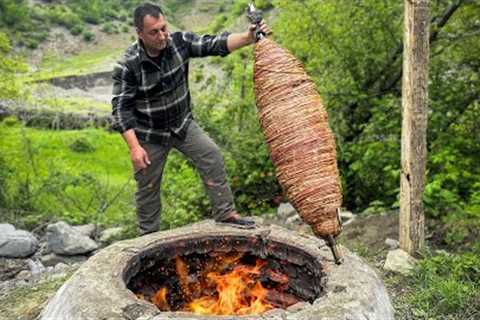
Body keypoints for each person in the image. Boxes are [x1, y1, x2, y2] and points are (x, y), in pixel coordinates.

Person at [111, 2, 271, 235]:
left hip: (182, 124)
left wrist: (248, 37)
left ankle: (225, 214)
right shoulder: (127, 65)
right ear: (139, 34)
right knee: (148, 187)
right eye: (154, 32)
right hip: (150, 134)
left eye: (163, 28)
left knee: (212, 155)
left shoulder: (179, 43)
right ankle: (147, 238)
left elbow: (213, 44)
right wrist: (135, 148)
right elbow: (120, 110)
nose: (162, 35)